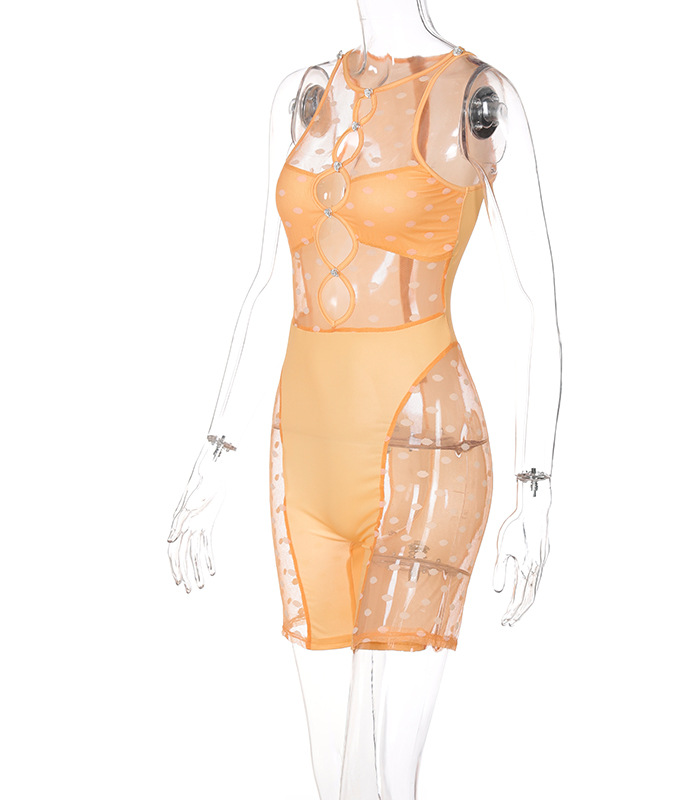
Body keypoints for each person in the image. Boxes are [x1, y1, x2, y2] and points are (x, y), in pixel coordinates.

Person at [168, 1, 561, 797]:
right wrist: (213, 459)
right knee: (332, 782)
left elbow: (536, 306)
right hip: (302, 469)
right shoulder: (303, 97)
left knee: (375, 777)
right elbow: (267, 282)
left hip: (425, 451)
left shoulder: (477, 97)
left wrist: (535, 493)